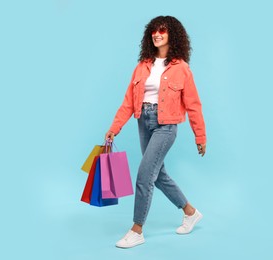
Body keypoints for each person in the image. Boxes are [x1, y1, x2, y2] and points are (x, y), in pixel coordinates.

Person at [105, 15, 207, 249]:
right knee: (158, 175)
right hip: (144, 122)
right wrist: (115, 128)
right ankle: (190, 212)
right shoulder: (142, 66)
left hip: (166, 125)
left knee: (144, 175)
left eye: (162, 30)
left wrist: (200, 137)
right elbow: (128, 102)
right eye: (153, 30)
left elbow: (193, 105)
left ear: (173, 34)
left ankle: (137, 229)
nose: (157, 34)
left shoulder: (181, 68)